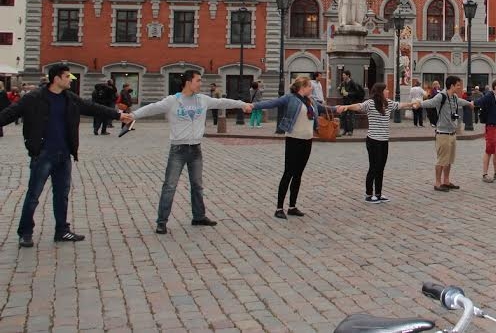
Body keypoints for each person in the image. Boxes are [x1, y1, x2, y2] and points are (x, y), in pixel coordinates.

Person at [0, 64, 129, 247]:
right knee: (33, 195)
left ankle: (62, 230)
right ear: (56, 79)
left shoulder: (70, 98)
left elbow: (92, 107)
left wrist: (118, 115)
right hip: (43, 154)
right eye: (67, 76)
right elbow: (9, 114)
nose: (70, 79)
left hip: (64, 154)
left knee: (62, 195)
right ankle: (25, 232)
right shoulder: (34, 98)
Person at [130, 69, 251, 234]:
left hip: (196, 149)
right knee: (169, 186)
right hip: (178, 150)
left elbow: (223, 102)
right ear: (188, 82)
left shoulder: (203, 100)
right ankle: (162, 222)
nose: (201, 84)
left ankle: (199, 216)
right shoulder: (173, 101)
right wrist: (133, 115)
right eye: (198, 80)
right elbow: (152, 108)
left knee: (197, 185)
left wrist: (242, 104)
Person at [252, 76, 332, 218]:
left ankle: (292, 206)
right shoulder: (290, 98)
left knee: (298, 174)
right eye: (309, 86)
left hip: (307, 141)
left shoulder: (311, 101)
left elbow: (324, 108)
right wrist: (253, 106)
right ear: (303, 87)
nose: (312, 87)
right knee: (288, 173)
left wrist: (341, 108)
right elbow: (272, 103)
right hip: (293, 140)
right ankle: (279, 209)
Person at [337, 83, 416, 203]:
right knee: (373, 167)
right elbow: (359, 106)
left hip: (384, 140)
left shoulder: (388, 103)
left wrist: (412, 104)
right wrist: (347, 107)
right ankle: (369, 195)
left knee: (381, 168)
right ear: (380, 91)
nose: (388, 91)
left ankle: (378, 194)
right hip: (373, 140)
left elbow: (400, 105)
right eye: (386, 89)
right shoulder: (370, 103)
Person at [420, 76, 473, 191]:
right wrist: (418, 104)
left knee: (449, 160)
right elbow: (430, 103)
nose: (460, 87)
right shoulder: (441, 96)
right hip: (443, 133)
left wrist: (469, 103)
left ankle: (446, 181)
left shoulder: (453, 97)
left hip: (452, 133)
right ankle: (438, 183)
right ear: (452, 85)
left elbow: (460, 101)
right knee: (441, 160)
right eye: (458, 85)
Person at [337, 70, 363, 136]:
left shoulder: (353, 83)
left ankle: (350, 131)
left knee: (351, 116)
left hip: (352, 102)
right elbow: (342, 92)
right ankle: (345, 130)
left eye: (344, 75)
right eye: (342, 75)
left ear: (348, 75)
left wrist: (348, 93)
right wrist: (341, 91)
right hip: (345, 102)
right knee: (343, 116)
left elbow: (357, 92)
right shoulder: (343, 83)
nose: (343, 76)